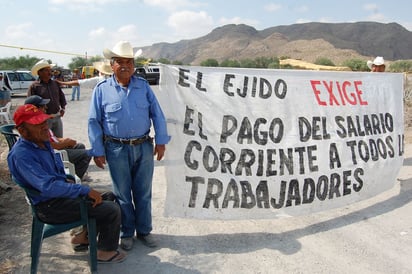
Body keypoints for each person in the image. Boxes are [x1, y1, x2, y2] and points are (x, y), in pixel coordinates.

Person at [7, 104, 126, 263]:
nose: (45, 127)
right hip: (49, 207)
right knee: (111, 209)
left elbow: (55, 173)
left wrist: (68, 181)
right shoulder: (22, 155)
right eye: (37, 124)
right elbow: (47, 187)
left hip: (57, 199)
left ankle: (83, 238)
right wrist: (82, 190)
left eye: (44, 122)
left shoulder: (42, 142)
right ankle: (105, 252)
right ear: (22, 131)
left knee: (109, 196)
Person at [88, 40, 170, 251]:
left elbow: (157, 115)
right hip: (115, 149)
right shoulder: (102, 89)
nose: (125, 66)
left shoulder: (142, 86)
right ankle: (126, 233)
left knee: (143, 192)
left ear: (134, 65)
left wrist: (161, 141)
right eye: (120, 62)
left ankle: (144, 231)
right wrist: (97, 150)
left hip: (143, 146)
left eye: (129, 62)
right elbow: (93, 121)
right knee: (122, 194)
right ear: (112, 64)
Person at [25, 95, 92, 182]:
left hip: (56, 149)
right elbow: (51, 145)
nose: (46, 107)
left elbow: (53, 138)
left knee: (80, 146)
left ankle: (73, 174)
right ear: (35, 108)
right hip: (53, 154)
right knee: (87, 154)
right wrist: (66, 143)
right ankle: (71, 181)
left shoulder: (40, 120)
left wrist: (64, 140)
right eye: (43, 106)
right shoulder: (35, 125)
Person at [28, 59, 67, 138]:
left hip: (57, 116)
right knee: (46, 140)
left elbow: (61, 96)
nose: (50, 73)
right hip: (44, 120)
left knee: (59, 139)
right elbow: (30, 104)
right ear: (39, 72)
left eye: (50, 70)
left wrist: (63, 108)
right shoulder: (34, 86)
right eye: (46, 70)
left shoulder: (55, 83)